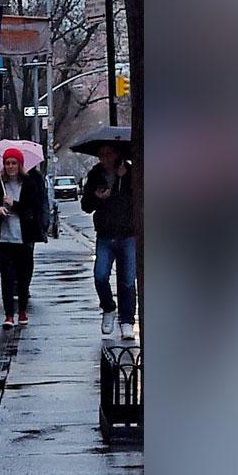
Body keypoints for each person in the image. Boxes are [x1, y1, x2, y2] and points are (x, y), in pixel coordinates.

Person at [0, 149, 46, 328]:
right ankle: (9, 315)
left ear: (20, 165)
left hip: (23, 239)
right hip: (4, 239)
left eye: (14, 163)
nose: (10, 166)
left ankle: (23, 310)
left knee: (24, 277)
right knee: (7, 278)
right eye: (7, 163)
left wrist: (14, 205)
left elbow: (33, 208)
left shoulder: (29, 184)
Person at [81, 142, 137, 339]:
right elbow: (86, 205)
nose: (104, 159)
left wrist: (127, 178)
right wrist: (97, 198)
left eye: (108, 154)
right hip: (105, 234)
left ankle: (127, 320)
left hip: (128, 233)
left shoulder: (130, 172)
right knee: (100, 276)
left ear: (116, 154)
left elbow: (138, 199)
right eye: (101, 155)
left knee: (128, 281)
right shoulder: (95, 175)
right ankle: (108, 307)